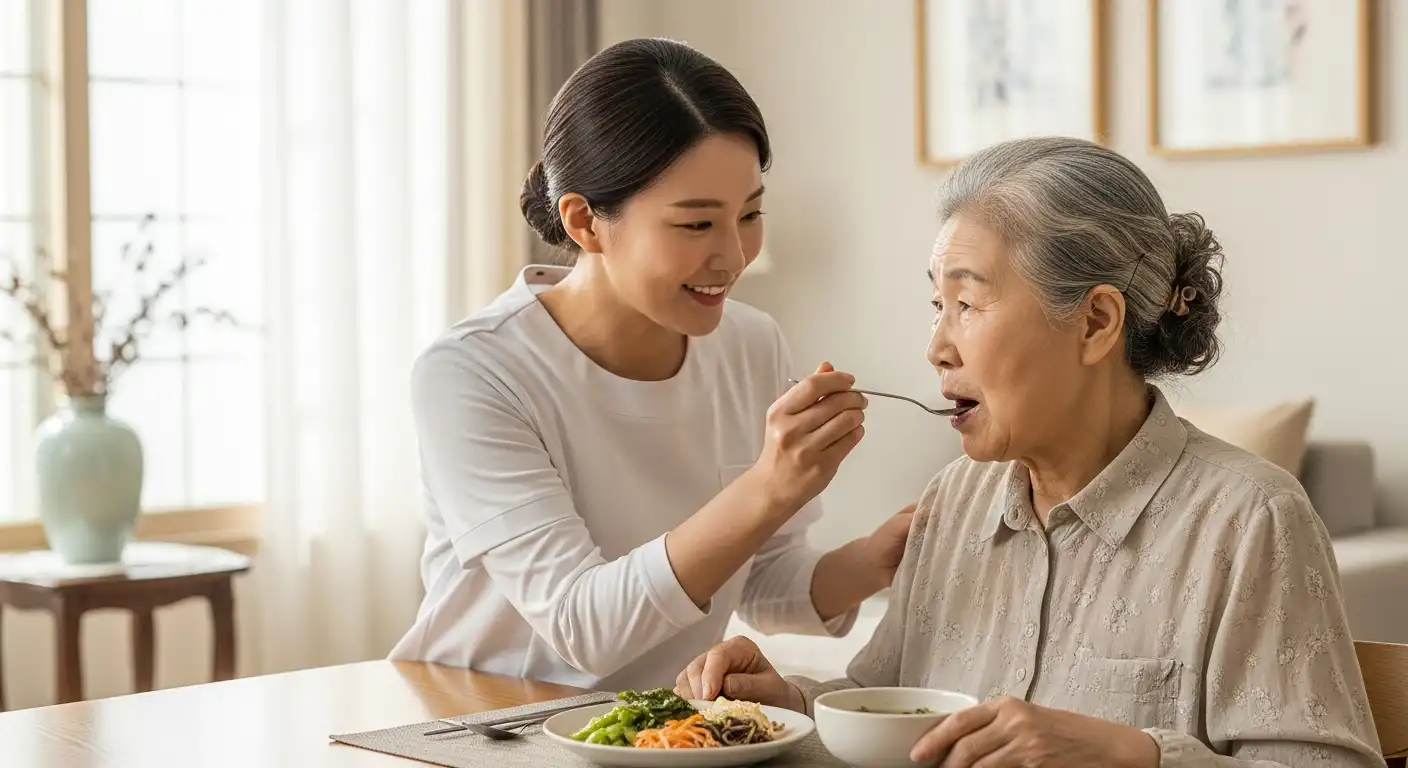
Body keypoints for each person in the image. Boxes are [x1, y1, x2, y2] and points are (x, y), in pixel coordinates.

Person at [676, 137, 1387, 767]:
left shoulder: (1248, 519)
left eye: (968, 303)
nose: (936, 348)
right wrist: (787, 704)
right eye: (936, 305)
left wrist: (1136, 756)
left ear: (1097, 322)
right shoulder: (956, 496)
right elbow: (887, 703)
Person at [388, 38, 912, 692]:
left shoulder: (751, 344)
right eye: (696, 226)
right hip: (478, 725)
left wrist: (884, 555)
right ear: (584, 222)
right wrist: (769, 486)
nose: (733, 255)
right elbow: (584, 628)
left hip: (646, 731)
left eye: (750, 215)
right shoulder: (473, 373)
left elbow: (759, 581)